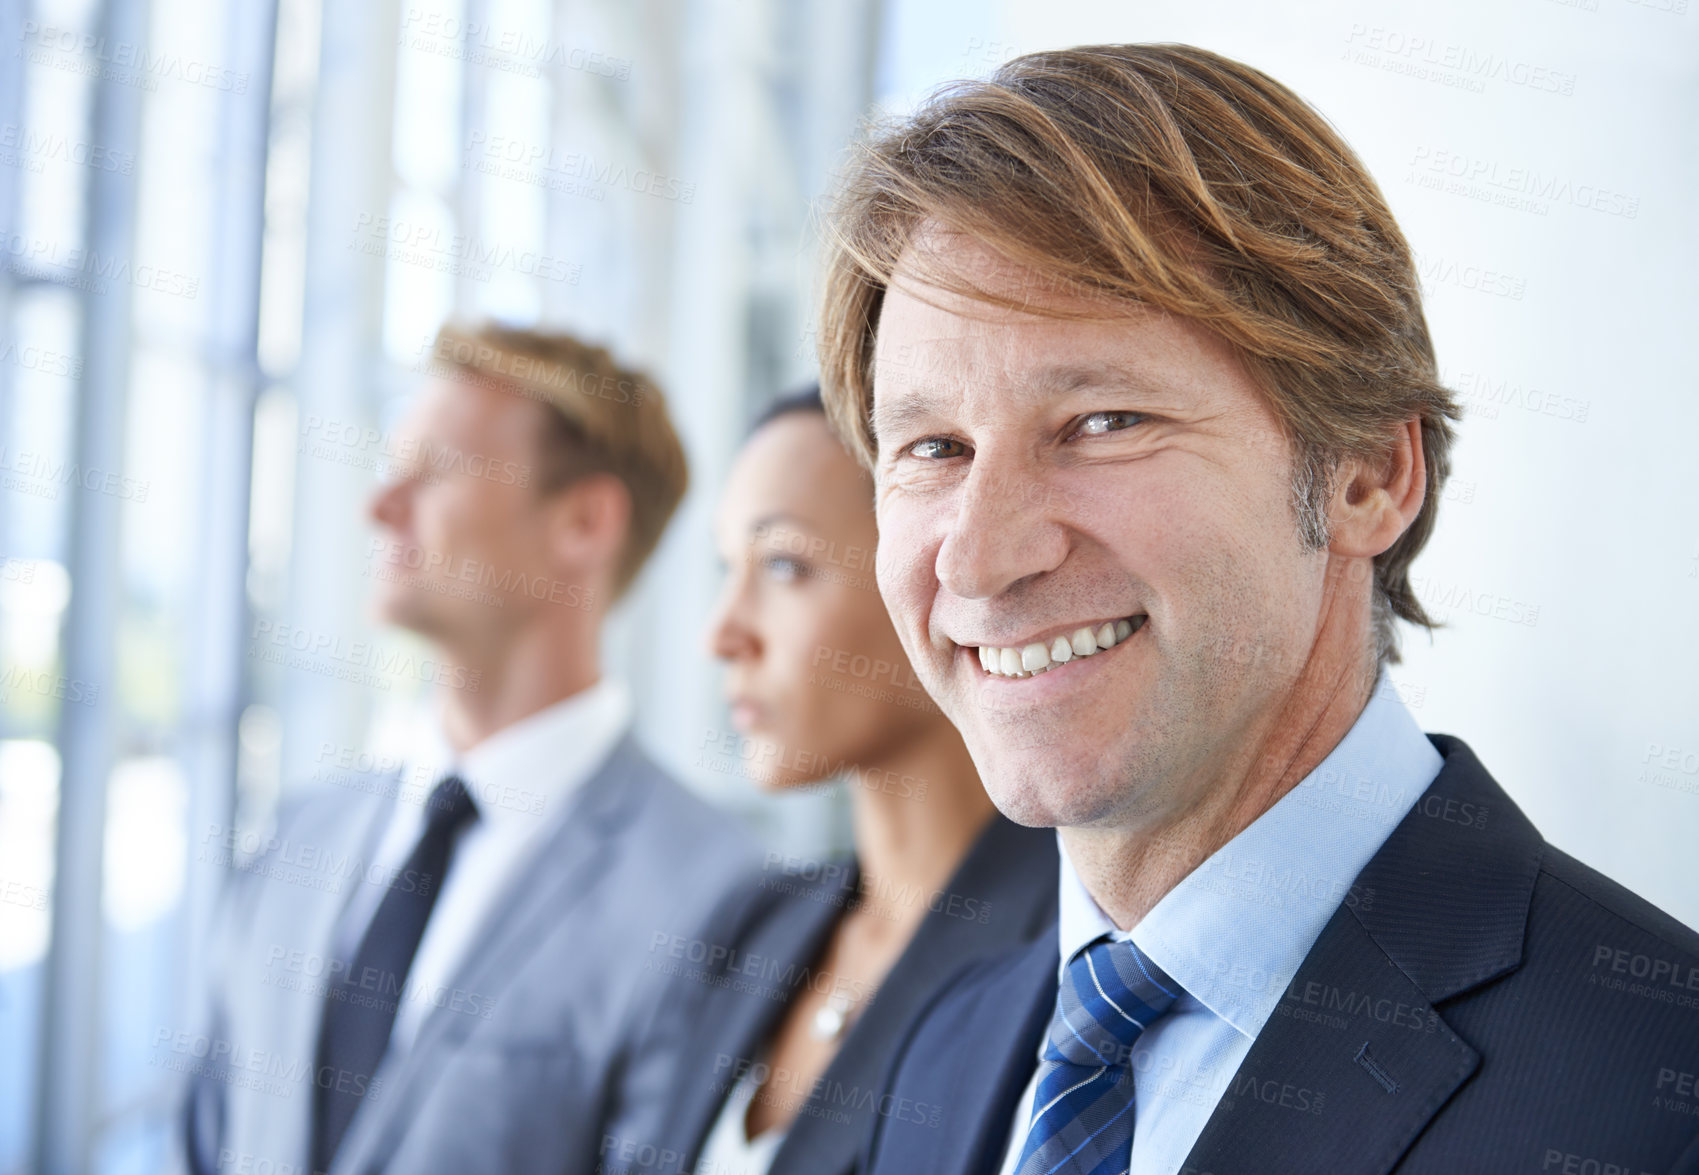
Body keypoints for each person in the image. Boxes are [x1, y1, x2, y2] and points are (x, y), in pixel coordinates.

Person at [810, 44, 1699, 1175]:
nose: (980, 559)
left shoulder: (1655, 1095)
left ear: (1368, 473)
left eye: (1103, 422)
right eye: (932, 447)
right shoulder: (943, 1047)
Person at [180, 324, 758, 1175]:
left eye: (433, 472)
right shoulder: (300, 835)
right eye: (392, 469)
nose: (380, 507)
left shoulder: (715, 894)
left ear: (584, 522)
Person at [596, 388, 1057, 1175]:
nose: (723, 631)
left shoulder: (1073, 951)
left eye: (783, 564)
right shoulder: (749, 926)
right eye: (726, 567)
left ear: (931, 566)